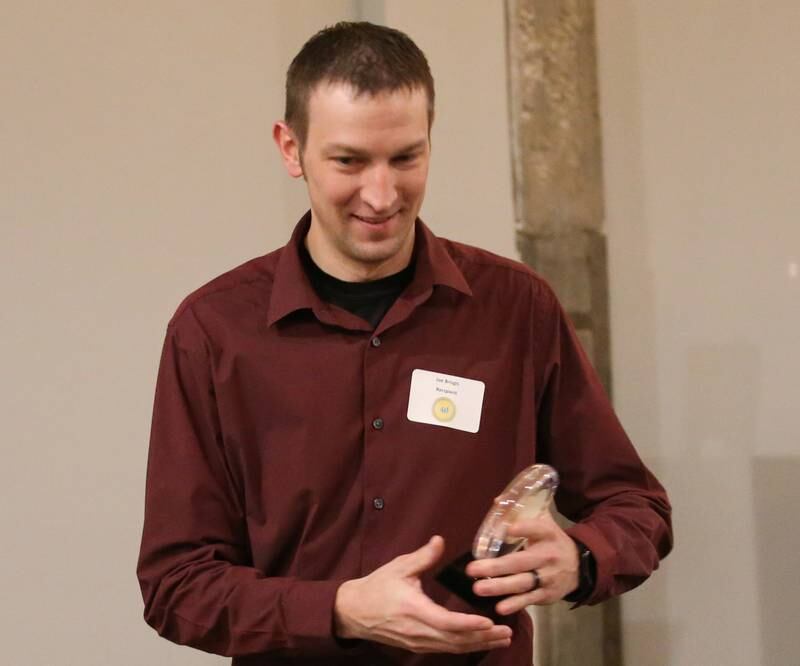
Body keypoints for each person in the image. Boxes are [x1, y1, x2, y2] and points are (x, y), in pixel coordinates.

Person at [137, 21, 672, 665]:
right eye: (349, 161)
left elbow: (636, 507)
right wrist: (339, 610)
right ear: (290, 148)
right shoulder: (214, 333)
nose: (383, 195)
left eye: (406, 158)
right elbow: (176, 586)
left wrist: (582, 558)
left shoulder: (516, 308)